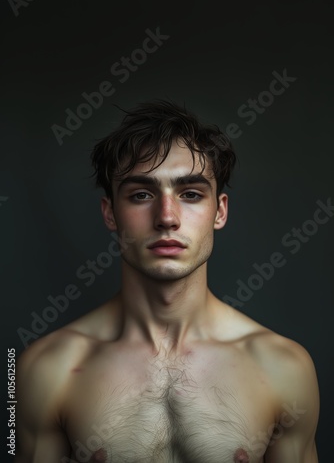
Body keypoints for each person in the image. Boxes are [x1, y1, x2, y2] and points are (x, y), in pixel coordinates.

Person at [15, 100, 320, 462]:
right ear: (110, 213)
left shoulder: (283, 366)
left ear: (219, 211)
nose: (167, 217)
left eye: (190, 194)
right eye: (141, 194)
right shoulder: (48, 368)